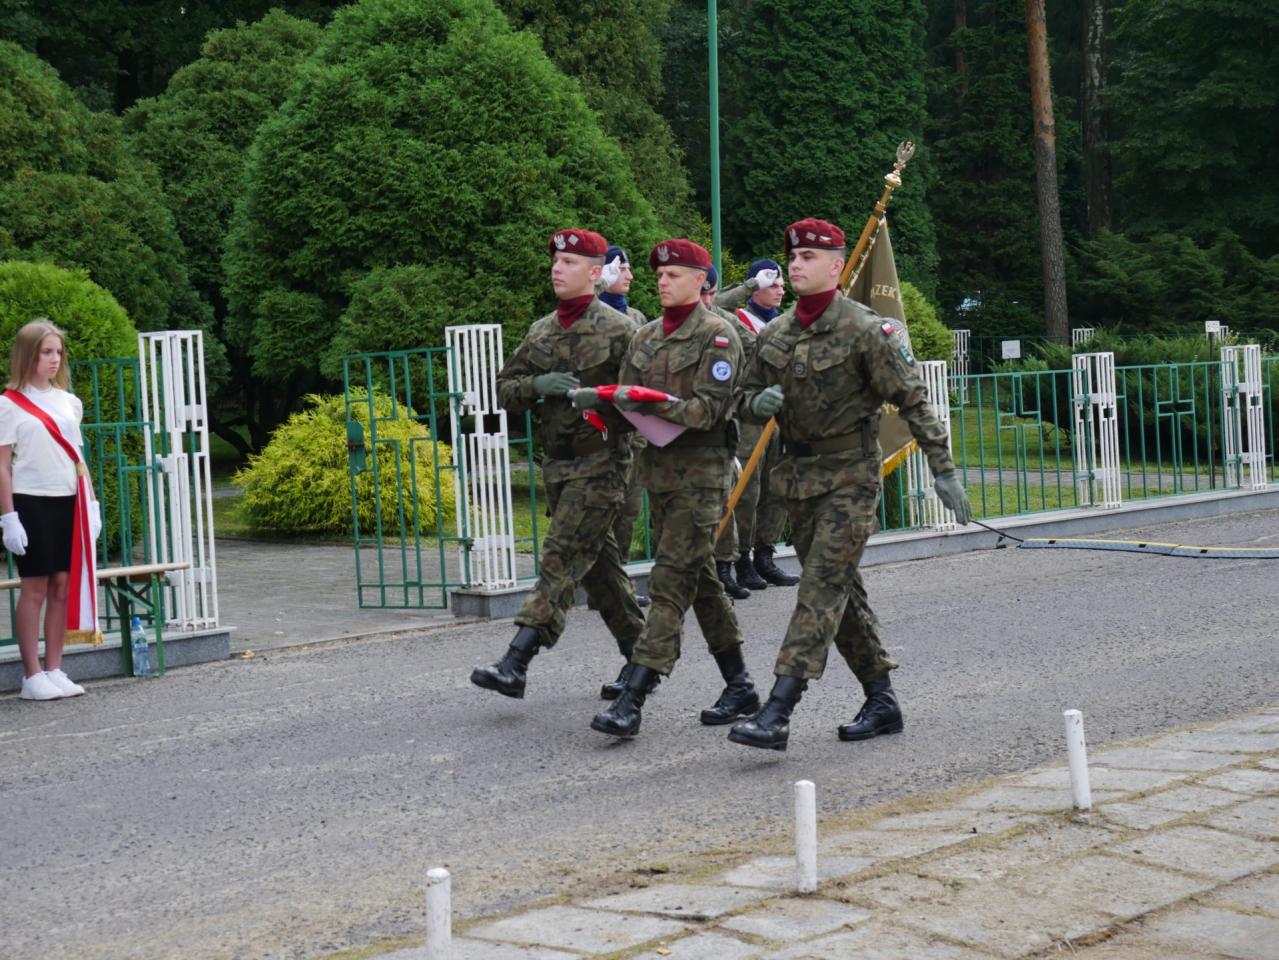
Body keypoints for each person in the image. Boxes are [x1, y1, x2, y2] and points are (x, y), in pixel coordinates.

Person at [729, 219, 973, 751]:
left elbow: (913, 400)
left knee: (818, 588)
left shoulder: (867, 329)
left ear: (837, 266)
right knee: (842, 593)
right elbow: (744, 395)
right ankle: (882, 699)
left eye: (808, 259)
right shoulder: (775, 332)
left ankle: (778, 709)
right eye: (792, 258)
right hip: (798, 479)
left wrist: (943, 469)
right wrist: (756, 403)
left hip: (850, 479)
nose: (795, 265)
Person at [587, 239, 760, 737]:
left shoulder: (719, 336)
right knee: (701, 582)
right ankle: (740, 684)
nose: (663, 281)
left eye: (675, 274)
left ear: (701, 282)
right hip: (658, 473)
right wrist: (602, 410)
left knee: (669, 583)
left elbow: (708, 410)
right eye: (660, 274)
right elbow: (625, 402)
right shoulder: (644, 337)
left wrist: (652, 403)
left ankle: (635, 696)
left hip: (702, 476)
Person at [470, 229, 645, 701]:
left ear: (594, 273)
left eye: (569, 262)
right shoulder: (542, 330)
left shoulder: (621, 330)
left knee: (560, 557)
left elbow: (644, 399)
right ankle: (642, 658)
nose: (557, 268)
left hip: (602, 463)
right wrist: (536, 385)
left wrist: (605, 402)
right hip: (559, 470)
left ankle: (517, 660)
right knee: (601, 573)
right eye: (555, 261)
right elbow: (506, 387)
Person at [0, 319, 101, 700]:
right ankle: (32, 675)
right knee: (35, 588)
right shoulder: (8, 405)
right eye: (46, 352)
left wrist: (90, 505)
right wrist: (8, 517)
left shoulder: (69, 402)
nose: (54, 359)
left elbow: (78, 458)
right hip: (31, 502)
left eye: (58, 352)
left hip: (68, 501)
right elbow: (2, 465)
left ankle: (55, 667)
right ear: (28, 355)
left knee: (62, 585)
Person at [711, 259, 799, 595]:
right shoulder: (736, 319)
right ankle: (742, 557)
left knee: (776, 487)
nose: (779, 289)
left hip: (781, 414)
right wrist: (749, 286)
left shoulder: (787, 324)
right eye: (771, 283)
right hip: (749, 416)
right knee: (747, 491)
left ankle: (765, 553)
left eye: (780, 284)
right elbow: (709, 304)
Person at [596, 245, 650, 610]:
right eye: (623, 268)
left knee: (629, 510)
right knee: (601, 509)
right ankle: (599, 582)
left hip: (634, 431)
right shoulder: (588, 315)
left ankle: (620, 579)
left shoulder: (637, 316)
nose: (630, 275)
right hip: (599, 430)